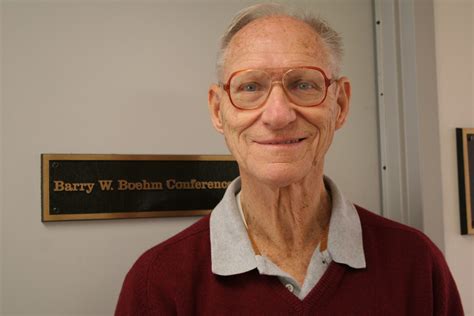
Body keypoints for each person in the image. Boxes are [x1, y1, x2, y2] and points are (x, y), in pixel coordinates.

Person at [115, 3, 463, 315]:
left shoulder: (417, 264)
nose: (278, 114)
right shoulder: (157, 281)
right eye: (250, 87)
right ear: (218, 110)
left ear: (339, 105)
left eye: (303, 85)